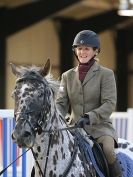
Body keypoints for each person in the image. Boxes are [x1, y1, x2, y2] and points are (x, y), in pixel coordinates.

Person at [56, 30, 123, 177]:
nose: (82, 52)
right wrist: (55, 119)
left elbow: (109, 103)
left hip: (99, 128)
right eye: (79, 49)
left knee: (108, 151)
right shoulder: (67, 76)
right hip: (73, 128)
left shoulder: (106, 74)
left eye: (86, 48)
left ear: (95, 51)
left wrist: (89, 117)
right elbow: (60, 104)